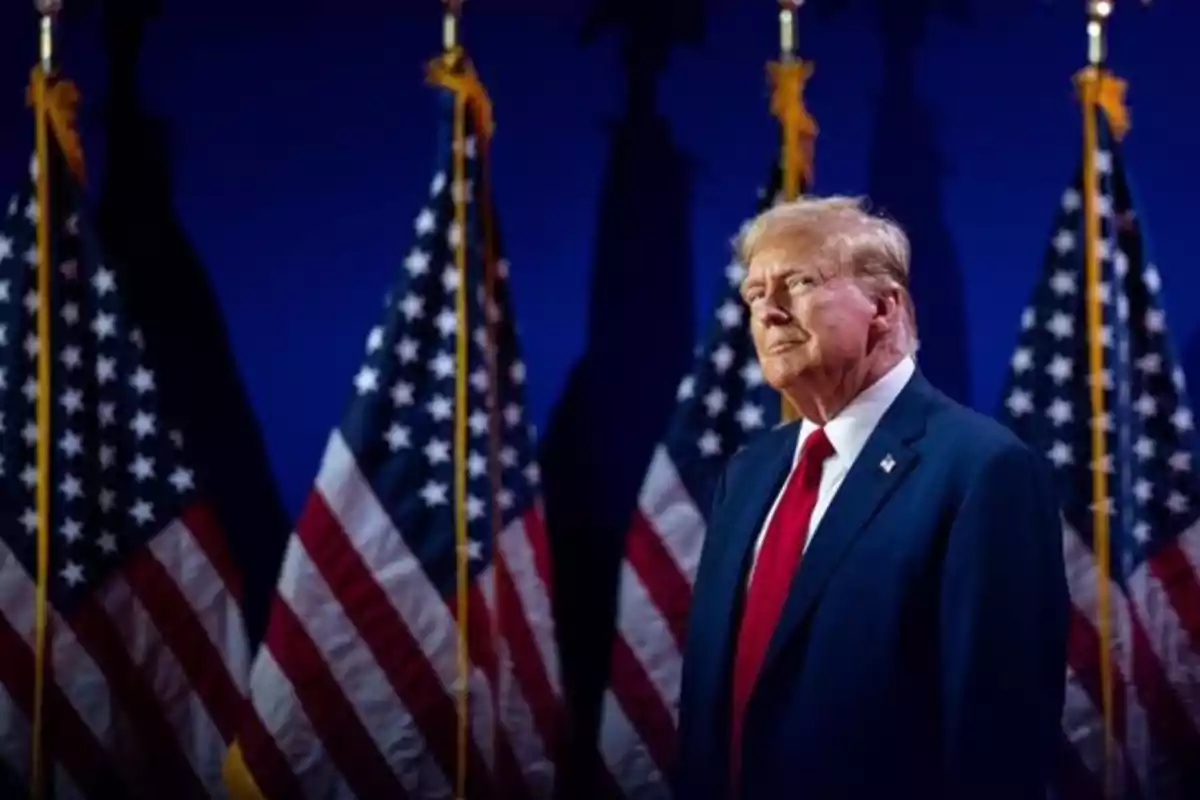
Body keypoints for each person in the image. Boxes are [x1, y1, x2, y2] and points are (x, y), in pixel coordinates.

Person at [674, 196, 1069, 799]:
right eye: (755, 295)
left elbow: (997, 738)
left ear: (884, 308)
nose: (769, 313)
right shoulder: (749, 473)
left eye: (799, 282)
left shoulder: (981, 470)